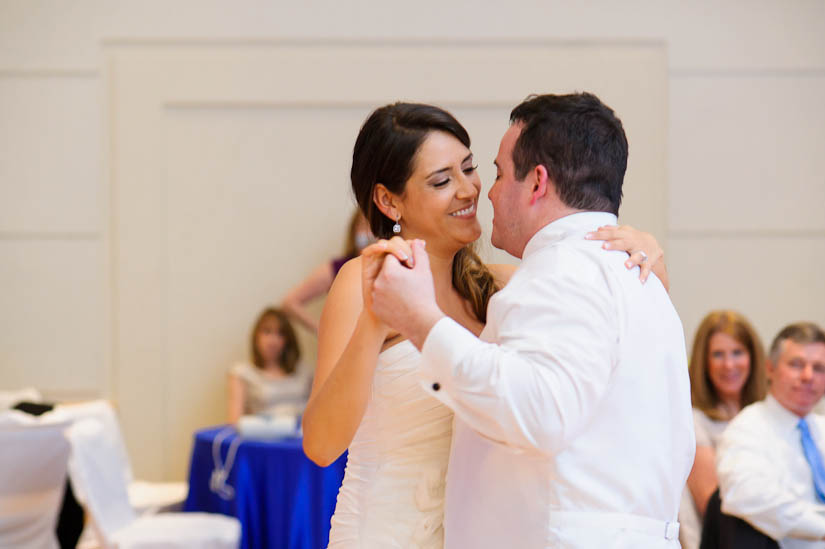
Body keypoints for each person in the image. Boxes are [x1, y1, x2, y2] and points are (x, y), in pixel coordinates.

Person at [302, 100, 671, 547]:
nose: (469, 190)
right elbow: (321, 445)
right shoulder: (361, 281)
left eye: (471, 168)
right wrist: (376, 322)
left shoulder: (505, 286)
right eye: (442, 180)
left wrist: (643, 251)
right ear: (388, 201)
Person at [715, 322, 825, 548]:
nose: (807, 376)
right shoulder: (748, 427)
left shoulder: (821, 428)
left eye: (818, 368)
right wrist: (819, 526)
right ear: (770, 369)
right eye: (796, 364)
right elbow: (745, 495)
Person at [679, 311, 768, 549]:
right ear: (703, 362)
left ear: (753, 357)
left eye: (737, 352)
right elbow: (712, 504)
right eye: (718, 354)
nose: (729, 365)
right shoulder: (694, 421)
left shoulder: (768, 417)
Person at [282, 210, 373, 334]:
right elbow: (289, 302)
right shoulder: (339, 268)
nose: (369, 233)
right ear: (353, 230)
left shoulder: (392, 268)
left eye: (374, 226)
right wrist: (324, 333)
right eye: (363, 225)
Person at [227, 307, 307, 424]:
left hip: (302, 437)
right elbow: (233, 422)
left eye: (280, 334)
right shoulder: (241, 373)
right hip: (262, 439)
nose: (273, 340)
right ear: (256, 337)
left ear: (287, 340)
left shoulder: (304, 372)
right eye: (267, 332)